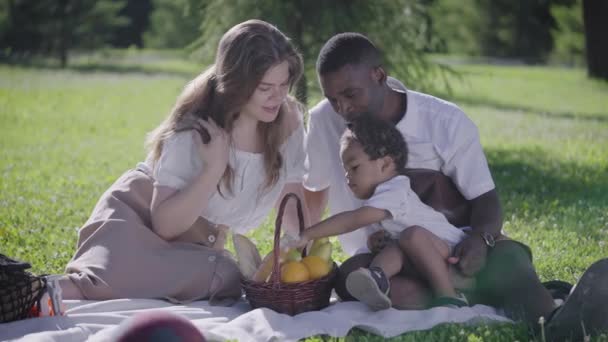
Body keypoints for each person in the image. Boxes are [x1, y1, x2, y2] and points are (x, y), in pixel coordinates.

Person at [302, 32, 608, 340]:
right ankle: (488, 295)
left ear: (379, 76)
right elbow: (313, 192)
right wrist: (300, 249)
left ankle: (556, 322)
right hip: (389, 263)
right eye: (333, 99)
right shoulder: (323, 119)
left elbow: (486, 199)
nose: (343, 109)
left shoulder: (444, 120)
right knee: (349, 279)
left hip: (453, 250)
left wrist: (480, 238)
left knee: (508, 262)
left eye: (351, 95)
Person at [24, 19, 308, 308]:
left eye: (284, 84)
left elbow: (292, 197)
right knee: (94, 285)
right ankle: (25, 292)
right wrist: (213, 168)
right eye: (265, 88)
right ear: (237, 84)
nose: (278, 96)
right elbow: (165, 226)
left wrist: (304, 251)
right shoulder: (199, 129)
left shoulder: (288, 122)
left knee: (225, 275)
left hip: (194, 246)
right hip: (137, 220)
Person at [291, 115, 468, 310]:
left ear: (385, 164)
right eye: (345, 170)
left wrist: (308, 233)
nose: (348, 177)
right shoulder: (379, 199)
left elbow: (353, 220)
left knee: (411, 235)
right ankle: (376, 282)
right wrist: (376, 241)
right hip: (422, 258)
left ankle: (449, 296)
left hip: (451, 254)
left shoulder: (394, 190)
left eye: (355, 167)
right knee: (400, 243)